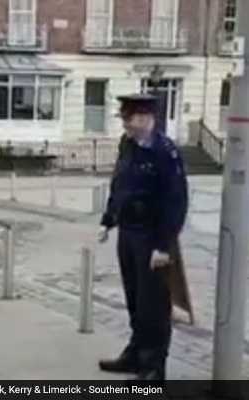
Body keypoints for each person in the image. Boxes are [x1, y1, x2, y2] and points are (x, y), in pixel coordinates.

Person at [97, 94, 188, 382]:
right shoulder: (128, 145)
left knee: (155, 304)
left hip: (153, 236)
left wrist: (163, 245)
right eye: (124, 118)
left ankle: (153, 366)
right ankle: (135, 354)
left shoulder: (165, 152)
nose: (126, 125)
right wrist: (108, 219)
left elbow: (175, 202)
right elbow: (120, 184)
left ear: (147, 118)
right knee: (135, 298)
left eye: (130, 119)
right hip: (129, 232)